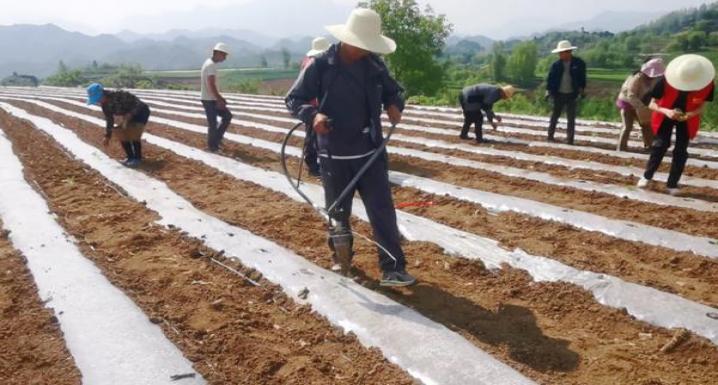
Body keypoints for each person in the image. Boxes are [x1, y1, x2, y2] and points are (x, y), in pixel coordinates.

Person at [286, 8, 415, 287]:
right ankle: (342, 261)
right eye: (362, 45)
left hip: (370, 153)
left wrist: (394, 105)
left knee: (382, 212)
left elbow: (394, 91)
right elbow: (294, 99)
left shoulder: (374, 65)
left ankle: (393, 268)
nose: (365, 51)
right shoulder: (320, 65)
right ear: (348, 39)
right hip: (334, 155)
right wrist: (313, 115)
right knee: (338, 213)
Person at [637, 54, 715, 196]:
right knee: (660, 145)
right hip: (665, 113)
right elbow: (651, 103)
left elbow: (701, 106)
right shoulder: (666, 80)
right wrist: (666, 111)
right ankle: (647, 176)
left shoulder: (708, 84)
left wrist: (690, 115)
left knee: (681, 150)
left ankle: (672, 184)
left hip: (688, 118)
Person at [86, 83, 150, 167]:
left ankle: (137, 159)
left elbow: (138, 104)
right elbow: (109, 120)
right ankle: (130, 157)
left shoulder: (118, 96)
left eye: (98, 99)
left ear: (102, 94)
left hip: (141, 112)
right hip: (128, 116)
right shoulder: (104, 105)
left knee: (133, 133)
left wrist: (129, 115)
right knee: (121, 133)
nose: (97, 101)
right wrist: (107, 136)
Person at [616, 58, 666, 151]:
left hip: (642, 104)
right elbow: (630, 95)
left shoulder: (655, 80)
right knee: (627, 126)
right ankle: (621, 148)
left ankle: (649, 146)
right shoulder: (637, 77)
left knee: (646, 125)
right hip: (627, 103)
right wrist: (641, 107)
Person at [545, 40, 587, 145]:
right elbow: (550, 79)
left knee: (571, 118)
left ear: (568, 52)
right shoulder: (556, 65)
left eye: (561, 53)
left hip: (572, 94)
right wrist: (548, 91)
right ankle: (550, 136)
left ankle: (570, 139)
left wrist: (581, 90)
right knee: (554, 116)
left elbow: (582, 79)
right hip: (558, 94)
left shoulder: (579, 64)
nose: (560, 55)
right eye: (559, 53)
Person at [301, 37, 331, 177]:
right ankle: (312, 167)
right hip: (312, 107)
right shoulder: (311, 64)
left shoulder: (314, 62)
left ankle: (322, 163)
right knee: (311, 137)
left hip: (318, 105)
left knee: (318, 136)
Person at [201, 42, 233, 152]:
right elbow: (211, 84)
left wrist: (220, 98)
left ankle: (217, 139)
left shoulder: (210, 64)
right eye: (224, 55)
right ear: (218, 53)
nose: (224, 58)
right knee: (213, 123)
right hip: (209, 100)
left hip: (211, 99)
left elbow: (212, 85)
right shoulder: (210, 66)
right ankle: (212, 147)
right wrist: (219, 99)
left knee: (227, 116)